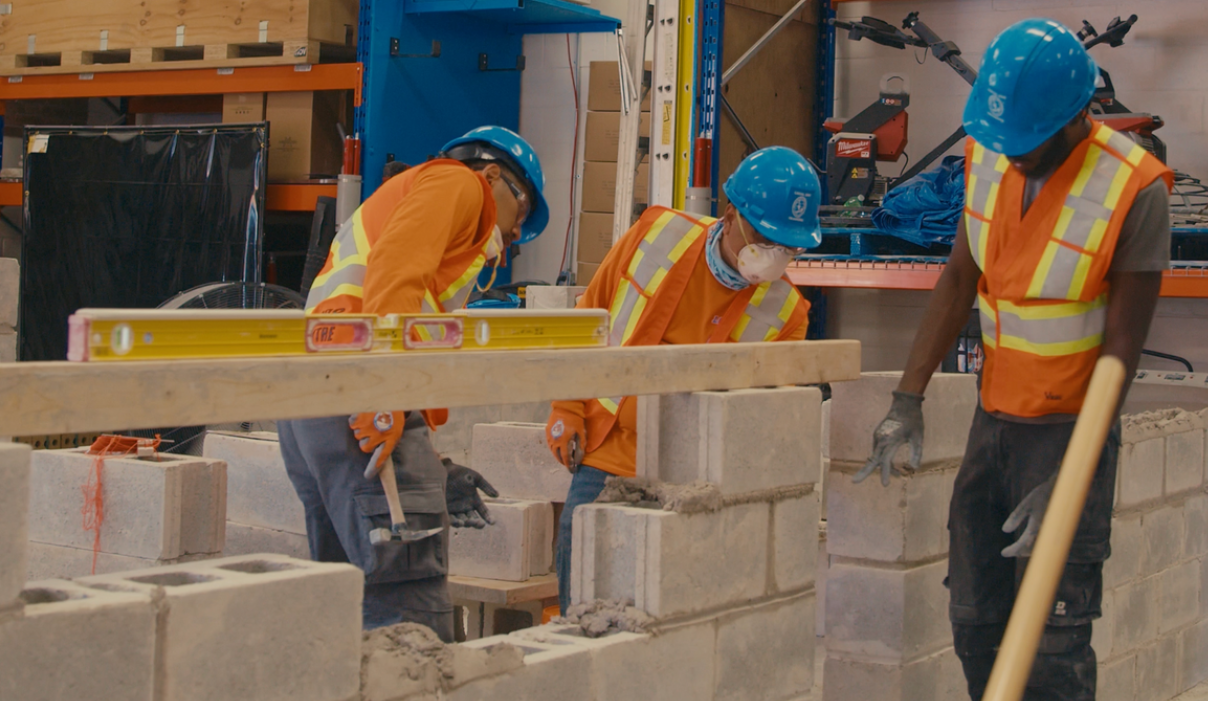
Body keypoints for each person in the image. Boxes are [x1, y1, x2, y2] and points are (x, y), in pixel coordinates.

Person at [852, 19, 1173, 701]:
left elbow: (1122, 350)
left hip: (1069, 432)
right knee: (976, 620)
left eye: (1029, 143)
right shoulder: (991, 155)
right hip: (992, 425)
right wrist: (907, 397)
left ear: (1078, 116)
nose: (1014, 155)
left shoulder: (1135, 188)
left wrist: (1072, 474)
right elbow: (957, 280)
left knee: (1054, 642)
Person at [278, 125, 549, 640]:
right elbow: (395, 275)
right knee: (408, 617)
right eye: (522, 214)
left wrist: (434, 465)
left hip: (318, 396)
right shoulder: (460, 186)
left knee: (351, 601)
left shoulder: (418, 207)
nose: (515, 236)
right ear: (493, 175)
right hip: (360, 388)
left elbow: (408, 316)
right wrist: (385, 398)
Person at [545, 145, 823, 612]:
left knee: (670, 615)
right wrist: (566, 406)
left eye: (789, 247)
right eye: (764, 237)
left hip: (693, 482)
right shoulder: (658, 233)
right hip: (605, 454)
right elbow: (588, 318)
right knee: (582, 601)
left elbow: (761, 422)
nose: (774, 256)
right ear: (731, 213)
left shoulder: (788, 314)